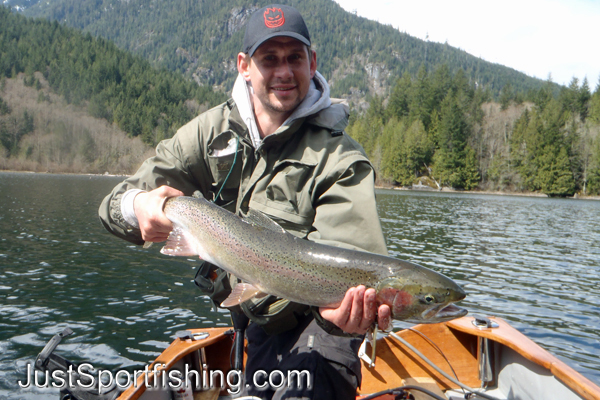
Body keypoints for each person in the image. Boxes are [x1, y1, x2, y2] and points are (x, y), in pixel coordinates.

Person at [99, 4, 391, 399]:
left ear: (312, 62)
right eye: (269, 59)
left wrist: (341, 317)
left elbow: (353, 259)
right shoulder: (211, 133)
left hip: (317, 324)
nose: (284, 71)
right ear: (244, 65)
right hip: (254, 318)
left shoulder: (340, 161)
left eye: (294, 58)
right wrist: (139, 206)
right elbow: (115, 202)